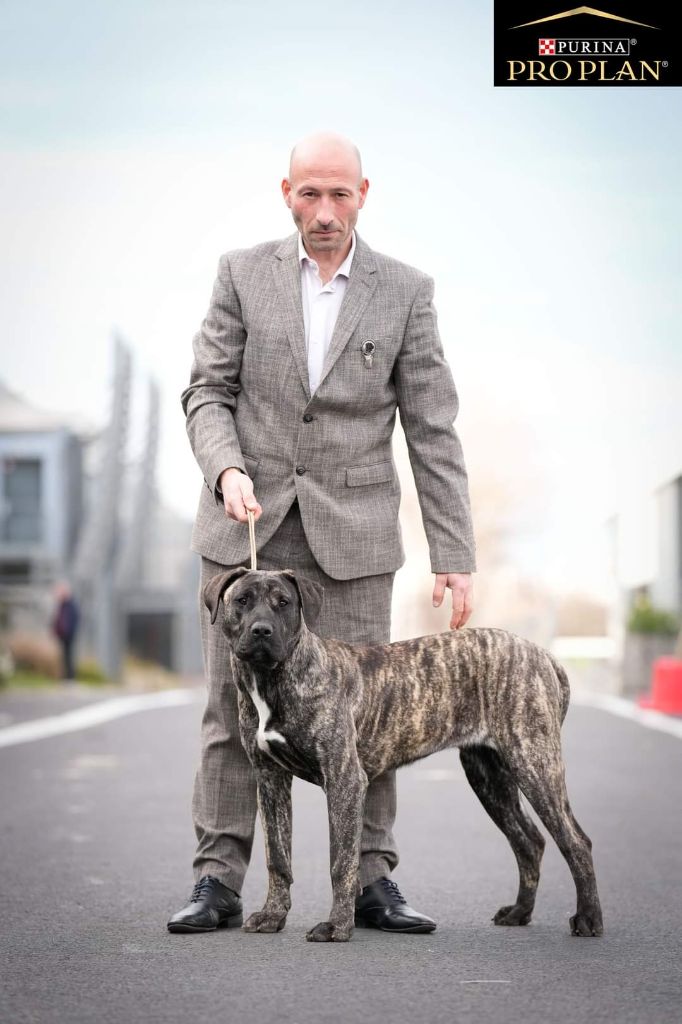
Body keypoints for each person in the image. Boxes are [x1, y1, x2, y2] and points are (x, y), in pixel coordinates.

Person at [169, 132, 477, 935]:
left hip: (356, 542)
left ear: (363, 195)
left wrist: (454, 554)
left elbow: (432, 427)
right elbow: (206, 391)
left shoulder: (405, 291)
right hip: (246, 533)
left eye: (340, 194)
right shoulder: (240, 274)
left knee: (370, 717)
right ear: (287, 193)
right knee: (231, 715)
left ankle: (373, 881)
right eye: (310, 193)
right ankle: (217, 880)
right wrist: (226, 470)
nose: (326, 210)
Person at [51, 581, 79, 683]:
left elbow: (73, 619)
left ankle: (70, 677)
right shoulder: (62, 605)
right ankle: (66, 677)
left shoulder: (70, 605)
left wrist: (69, 631)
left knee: (68, 656)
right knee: (64, 656)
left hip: (69, 635)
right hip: (63, 635)